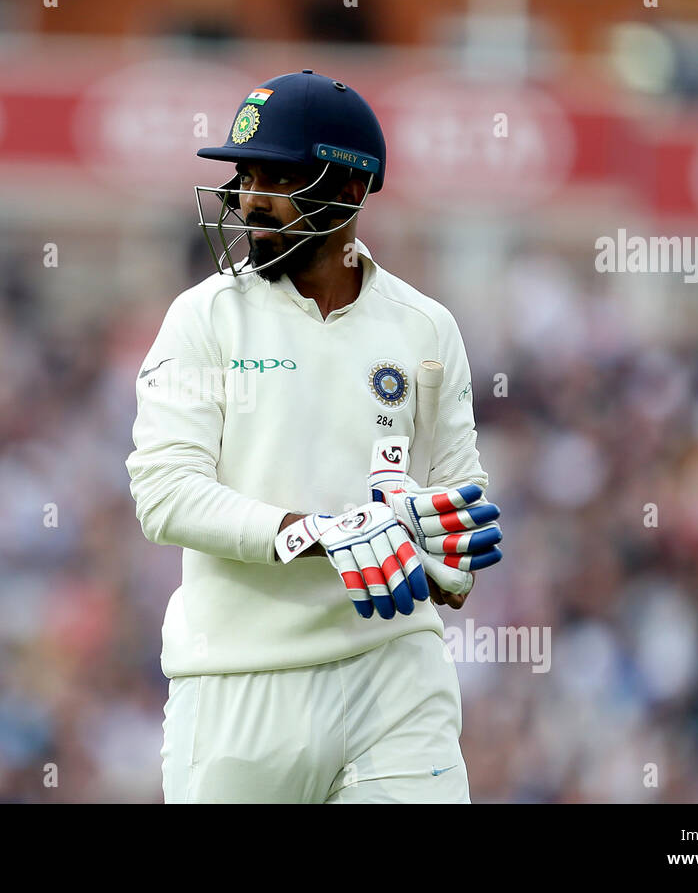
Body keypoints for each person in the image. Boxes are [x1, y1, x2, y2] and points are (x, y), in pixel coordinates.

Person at [126, 70, 503, 803]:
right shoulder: (206, 318)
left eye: (279, 176)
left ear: (352, 190)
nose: (252, 200)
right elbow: (163, 493)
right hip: (239, 678)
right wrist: (315, 533)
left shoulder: (425, 326)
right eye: (246, 176)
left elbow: (462, 496)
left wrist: (440, 555)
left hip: (395, 675)